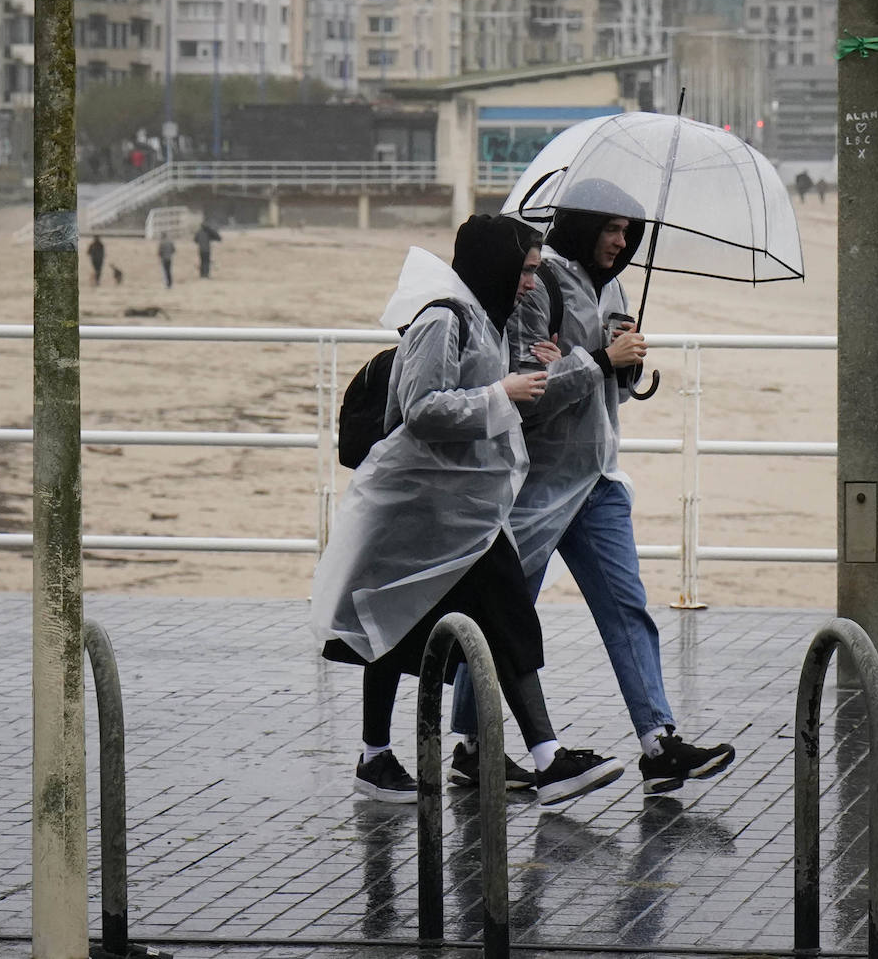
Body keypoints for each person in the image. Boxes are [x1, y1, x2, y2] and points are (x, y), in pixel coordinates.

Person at [311, 214, 625, 808]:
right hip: (421, 507)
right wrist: (500, 393)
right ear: (496, 265)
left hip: (466, 511)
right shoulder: (442, 318)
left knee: (494, 621)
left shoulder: (487, 319)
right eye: (527, 270)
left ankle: (544, 757)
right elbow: (422, 408)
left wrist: (541, 367)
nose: (533, 283)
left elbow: (488, 390)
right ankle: (383, 758)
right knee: (393, 619)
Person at [450, 180, 735, 797]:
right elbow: (527, 395)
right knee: (505, 614)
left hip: (600, 481)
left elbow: (610, 388)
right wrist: (603, 360)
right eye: (611, 229)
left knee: (627, 609)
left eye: (629, 233)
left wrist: (625, 370)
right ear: (582, 226)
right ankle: (472, 749)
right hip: (537, 483)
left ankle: (659, 742)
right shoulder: (539, 285)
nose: (621, 242)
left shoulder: (617, 287)